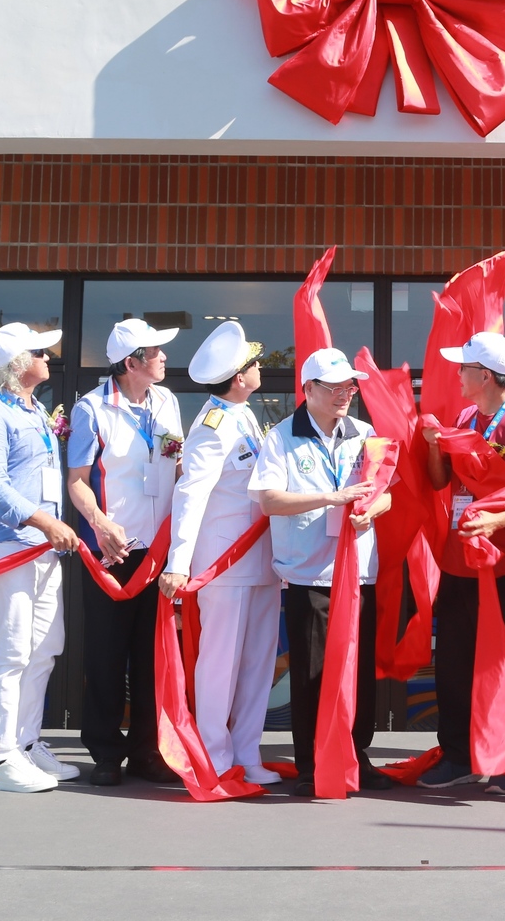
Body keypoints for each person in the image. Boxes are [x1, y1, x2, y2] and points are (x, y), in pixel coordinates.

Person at [249, 348, 395, 796]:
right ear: (308, 390)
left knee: (359, 670)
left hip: (357, 574)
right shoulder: (281, 437)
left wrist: (371, 511)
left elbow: (388, 492)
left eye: (349, 386)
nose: (344, 395)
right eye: (333, 387)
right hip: (307, 574)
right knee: (311, 673)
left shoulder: (365, 433)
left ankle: (357, 755)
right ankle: (312, 763)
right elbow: (268, 500)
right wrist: (331, 498)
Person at [417, 332, 505, 795]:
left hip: (504, 560)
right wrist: (436, 444)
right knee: (453, 661)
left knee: (498, 661)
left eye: (464, 368)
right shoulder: (464, 417)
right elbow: (441, 482)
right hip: (459, 558)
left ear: (486, 376)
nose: (457, 374)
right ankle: (457, 755)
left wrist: (503, 519)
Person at [157, 321, 282, 788]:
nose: (258, 369)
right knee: (219, 663)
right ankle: (213, 753)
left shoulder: (245, 414)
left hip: (261, 561)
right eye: (252, 364)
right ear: (236, 377)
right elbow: (191, 493)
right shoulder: (212, 425)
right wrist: (179, 562)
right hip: (224, 564)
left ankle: (247, 753)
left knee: (256, 663)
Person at [66, 317, 184, 787]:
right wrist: (100, 523)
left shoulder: (167, 401)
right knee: (107, 654)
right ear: (132, 363)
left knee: (152, 654)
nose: (165, 359)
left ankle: (148, 752)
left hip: (157, 551)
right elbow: (76, 481)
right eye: (157, 353)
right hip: (111, 552)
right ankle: (105, 752)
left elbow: (174, 464)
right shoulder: (91, 409)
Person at [0, 321, 80, 793]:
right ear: (17, 364)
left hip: (41, 547)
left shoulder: (33, 411)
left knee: (46, 648)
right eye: (39, 352)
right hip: (7, 545)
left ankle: (27, 744)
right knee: (12, 652)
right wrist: (46, 522)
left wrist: (48, 529)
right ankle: (1, 760)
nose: (49, 358)